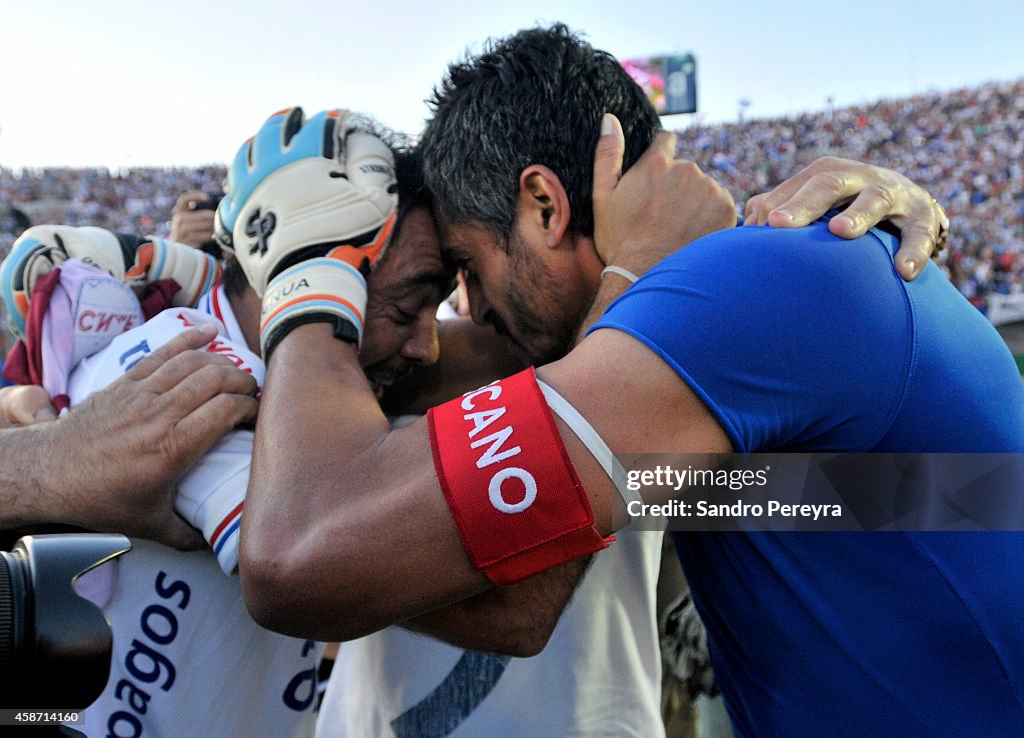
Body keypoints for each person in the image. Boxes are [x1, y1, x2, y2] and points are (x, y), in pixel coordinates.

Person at [231, 25, 1024, 738]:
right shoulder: (763, 292)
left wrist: (308, 283)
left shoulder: (752, 288)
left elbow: (301, 558)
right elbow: (915, 505)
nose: (465, 315)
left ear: (543, 204)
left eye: (469, 268)